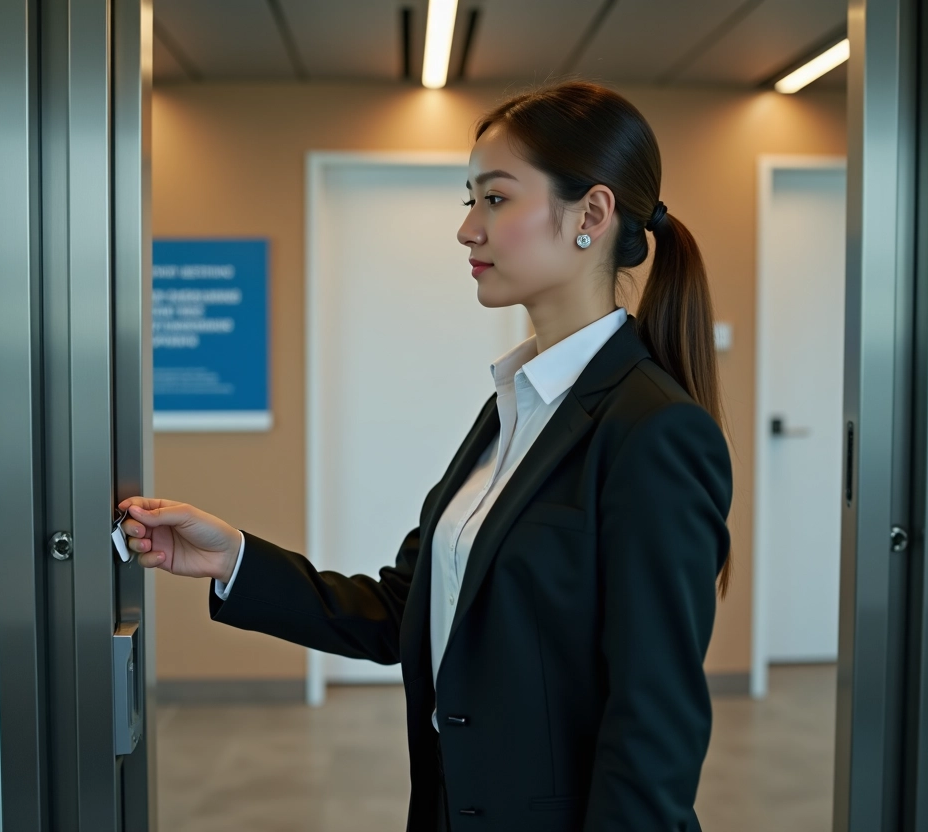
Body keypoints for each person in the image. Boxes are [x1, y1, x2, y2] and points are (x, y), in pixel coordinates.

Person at [121, 81, 732, 832]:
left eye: (496, 199)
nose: (468, 229)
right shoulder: (515, 407)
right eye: (468, 200)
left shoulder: (654, 430)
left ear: (591, 215)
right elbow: (406, 610)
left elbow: (654, 726)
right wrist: (233, 559)